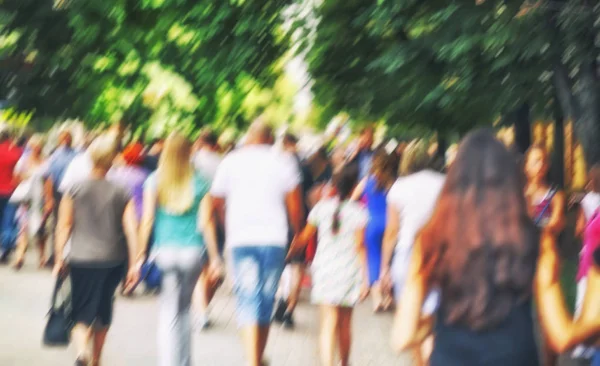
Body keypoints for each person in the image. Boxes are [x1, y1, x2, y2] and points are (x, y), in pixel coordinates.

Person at [391, 129, 600, 366]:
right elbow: (562, 337)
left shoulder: (431, 239)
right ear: (510, 181)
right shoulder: (538, 240)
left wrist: (436, 322)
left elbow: (403, 337)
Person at [210, 120, 303, 366]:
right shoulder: (284, 161)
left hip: (241, 239)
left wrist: (225, 222)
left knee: (248, 298)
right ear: (271, 139)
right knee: (265, 299)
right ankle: (256, 359)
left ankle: (255, 359)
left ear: (249, 137)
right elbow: (295, 205)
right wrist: (297, 234)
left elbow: (216, 200)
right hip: (274, 239)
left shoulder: (231, 161)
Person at [53, 133, 139, 366]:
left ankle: (82, 352)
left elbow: (64, 226)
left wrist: (59, 257)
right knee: (103, 310)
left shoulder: (74, 188)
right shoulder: (121, 191)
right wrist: (135, 263)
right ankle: (96, 360)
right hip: (113, 259)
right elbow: (131, 228)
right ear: (112, 160)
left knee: (80, 308)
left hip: (81, 258)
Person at [137, 132, 223, 366]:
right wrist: (215, 258)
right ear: (189, 153)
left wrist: (139, 257)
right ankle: (184, 361)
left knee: (168, 313)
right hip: (192, 253)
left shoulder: (154, 180)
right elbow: (207, 223)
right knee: (184, 311)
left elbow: (147, 221)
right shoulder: (201, 182)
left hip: (165, 252)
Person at [287, 164, 369, 366]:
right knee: (345, 323)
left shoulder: (320, 209)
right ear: (353, 187)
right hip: (349, 270)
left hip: (324, 268)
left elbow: (305, 237)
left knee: (327, 323)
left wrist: (290, 249)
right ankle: (345, 361)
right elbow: (360, 247)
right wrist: (367, 278)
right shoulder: (359, 212)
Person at [379, 140, 444, 364]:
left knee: (411, 316)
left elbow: (391, 232)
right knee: (431, 319)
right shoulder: (444, 184)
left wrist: (384, 267)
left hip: (408, 253)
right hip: (440, 253)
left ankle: (420, 361)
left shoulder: (399, 187)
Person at [524, 144, 565, 365]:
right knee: (519, 316)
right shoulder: (519, 194)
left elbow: (558, 222)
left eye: (542, 161)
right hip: (521, 262)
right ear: (526, 167)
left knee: (546, 317)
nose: (539, 166)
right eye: (534, 161)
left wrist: (531, 224)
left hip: (547, 261)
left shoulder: (555, 194)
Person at [273, 132, 313, 329]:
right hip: (301, 219)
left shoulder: (276, 165)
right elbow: (312, 195)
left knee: (281, 263)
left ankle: (281, 297)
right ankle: (290, 310)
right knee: (297, 266)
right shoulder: (305, 166)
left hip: (280, 218)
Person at [351, 147, 397, 312]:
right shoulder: (394, 183)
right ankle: (389, 297)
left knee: (373, 260)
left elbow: (352, 200)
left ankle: (377, 299)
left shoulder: (367, 181)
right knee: (389, 260)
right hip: (390, 223)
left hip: (371, 223)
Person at [12, 135, 50, 269]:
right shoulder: (23, 161)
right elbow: (15, 178)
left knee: (41, 229)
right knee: (23, 227)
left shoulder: (45, 162)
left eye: (37, 145)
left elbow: (48, 182)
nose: (35, 148)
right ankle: (20, 256)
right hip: (27, 200)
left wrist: (49, 200)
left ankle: (42, 257)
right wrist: (24, 179)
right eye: (33, 145)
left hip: (40, 200)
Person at [43, 130, 76, 265]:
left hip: (69, 192)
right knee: (60, 224)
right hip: (60, 193)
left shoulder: (75, 155)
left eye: (67, 138)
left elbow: (48, 179)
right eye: (63, 138)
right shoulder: (55, 156)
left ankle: (64, 254)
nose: (65, 141)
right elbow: (49, 179)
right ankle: (57, 254)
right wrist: (49, 198)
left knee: (65, 224)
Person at [0, 127, 22, 261]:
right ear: (10, 138)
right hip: (11, 191)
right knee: (9, 221)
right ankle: (4, 248)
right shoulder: (16, 152)